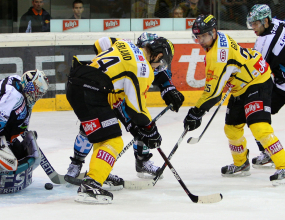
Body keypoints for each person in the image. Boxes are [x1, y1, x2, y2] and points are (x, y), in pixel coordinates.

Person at [65, 33, 184, 186]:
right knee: (113, 141)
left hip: (77, 82)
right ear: (158, 55)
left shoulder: (124, 43)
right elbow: (136, 110)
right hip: (93, 93)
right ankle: (92, 183)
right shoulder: (143, 68)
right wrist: (151, 131)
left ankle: (100, 172)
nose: (158, 68)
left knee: (103, 136)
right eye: (161, 63)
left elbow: (99, 43)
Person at [185, 14, 285, 186]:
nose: (201, 40)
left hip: (257, 81)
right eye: (198, 36)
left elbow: (213, 94)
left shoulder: (217, 56)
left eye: (204, 35)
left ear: (214, 32)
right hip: (241, 85)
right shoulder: (217, 40)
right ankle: (241, 164)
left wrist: (196, 112)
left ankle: (283, 164)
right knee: (231, 129)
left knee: (259, 127)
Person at [246, 4, 285, 169]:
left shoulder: (268, 42)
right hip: (281, 83)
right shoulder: (277, 23)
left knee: (255, 114)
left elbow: (256, 69)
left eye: (255, 23)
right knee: (258, 114)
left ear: (265, 21)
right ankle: (268, 151)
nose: (253, 27)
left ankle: (269, 152)